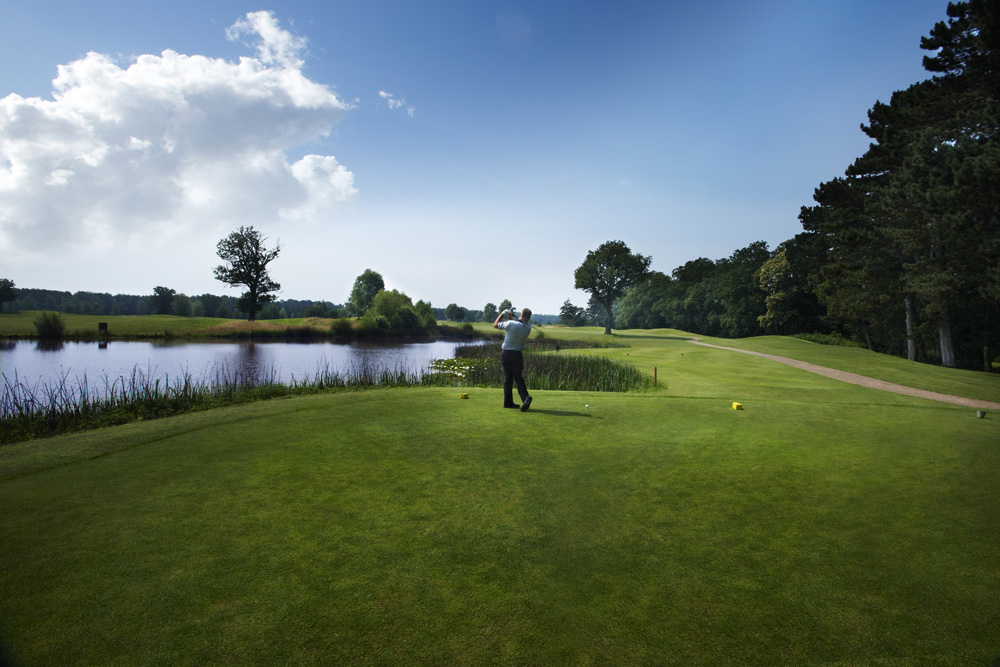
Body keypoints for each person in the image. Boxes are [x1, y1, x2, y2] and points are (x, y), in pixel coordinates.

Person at [493, 307, 533, 411]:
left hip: (506, 354)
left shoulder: (511, 324)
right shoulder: (528, 328)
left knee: (508, 379)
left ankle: (508, 403)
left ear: (520, 314)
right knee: (518, 377)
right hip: (517, 355)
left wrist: (503, 314)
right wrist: (510, 317)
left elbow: (495, 325)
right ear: (529, 318)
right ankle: (525, 398)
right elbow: (515, 326)